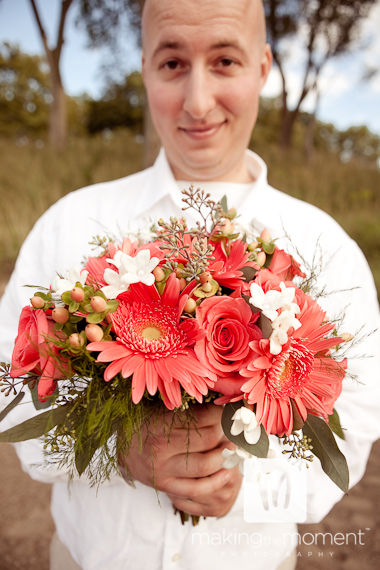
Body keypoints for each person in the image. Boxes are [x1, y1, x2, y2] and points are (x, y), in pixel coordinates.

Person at [0, 1, 379, 569]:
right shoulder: (68, 226)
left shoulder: (328, 249)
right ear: (146, 69)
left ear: (263, 68)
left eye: (225, 61)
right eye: (173, 64)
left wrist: (238, 484)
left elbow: (354, 429)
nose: (198, 103)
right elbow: (9, 407)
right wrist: (113, 446)